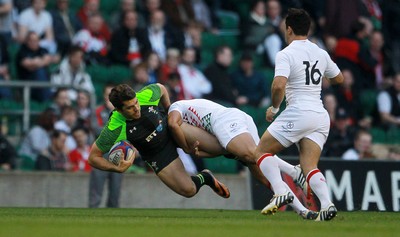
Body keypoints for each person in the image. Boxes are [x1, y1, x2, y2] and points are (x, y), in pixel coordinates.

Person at [253, 9, 344, 221]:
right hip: (320, 115)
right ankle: (328, 204)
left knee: (260, 152)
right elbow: (339, 79)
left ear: (289, 29)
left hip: (299, 112)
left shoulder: (286, 53)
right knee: (309, 166)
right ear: (309, 29)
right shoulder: (320, 52)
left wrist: (274, 109)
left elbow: (278, 85)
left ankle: (281, 191)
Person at [168, 99, 318, 220]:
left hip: (225, 121)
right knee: (263, 175)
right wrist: (197, 152)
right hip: (235, 119)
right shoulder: (189, 126)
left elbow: (173, 123)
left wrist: (187, 149)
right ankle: (303, 211)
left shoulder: (175, 108)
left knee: (254, 156)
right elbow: (215, 151)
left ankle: (293, 171)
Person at [88, 83, 231, 201]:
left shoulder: (145, 95)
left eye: (136, 103)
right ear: (118, 110)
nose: (136, 108)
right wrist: (117, 168)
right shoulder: (114, 128)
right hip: (157, 154)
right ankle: (205, 177)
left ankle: (241, 155)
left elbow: (161, 88)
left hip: (172, 129)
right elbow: (93, 157)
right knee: (189, 190)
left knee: (221, 147)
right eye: (130, 108)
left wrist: (169, 110)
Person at [89, 83, 123, 208]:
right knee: (96, 192)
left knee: (115, 193)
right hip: (101, 154)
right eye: (107, 94)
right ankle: (91, 218)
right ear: (104, 96)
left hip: (118, 155)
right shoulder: (97, 111)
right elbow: (97, 130)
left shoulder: (123, 112)